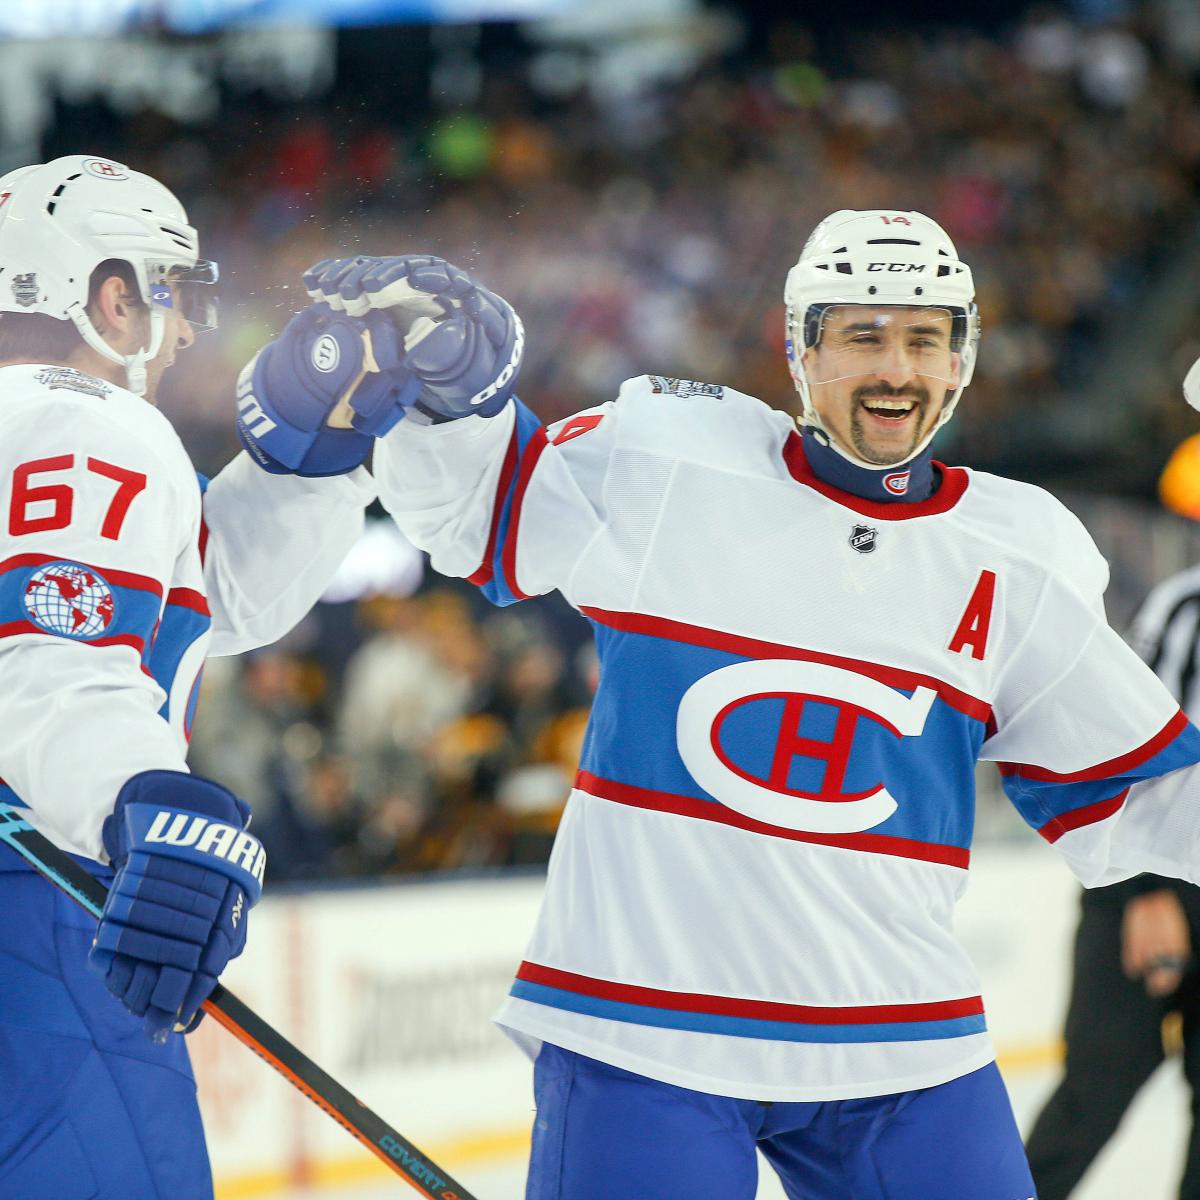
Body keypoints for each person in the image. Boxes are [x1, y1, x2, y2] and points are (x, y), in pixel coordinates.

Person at [290, 218, 1200, 1199]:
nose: (896, 368)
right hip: (647, 1033)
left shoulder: (1023, 550)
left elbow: (1142, 789)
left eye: (925, 338)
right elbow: (481, 513)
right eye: (863, 335)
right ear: (801, 349)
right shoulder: (671, 459)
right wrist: (448, 395)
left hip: (903, 1047)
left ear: (963, 358)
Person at [0, 155, 406, 1198]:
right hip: (34, 909)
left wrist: (309, 459)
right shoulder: (81, 416)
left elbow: (198, 601)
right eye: (168, 291)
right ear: (107, 294)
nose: (182, 329)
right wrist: (142, 797)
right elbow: (50, 652)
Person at [1025, 434, 1200, 1199]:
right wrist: (1144, 895)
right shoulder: (1185, 604)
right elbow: (1126, 759)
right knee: (1097, 1087)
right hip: (1155, 880)